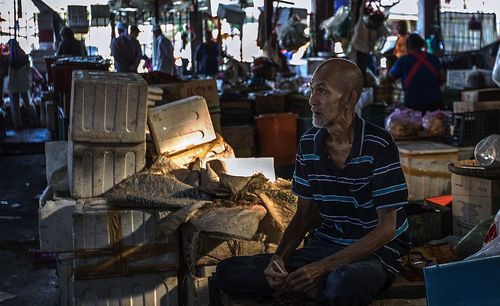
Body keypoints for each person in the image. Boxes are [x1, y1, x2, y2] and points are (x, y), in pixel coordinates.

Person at [214, 58, 410, 305]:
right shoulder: (308, 144)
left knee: (344, 283)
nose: (311, 100)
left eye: (322, 90)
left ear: (349, 99)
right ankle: (311, 288)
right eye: (312, 88)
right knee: (228, 272)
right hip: (325, 245)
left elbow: (386, 229)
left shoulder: (378, 144)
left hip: (374, 252)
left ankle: (315, 286)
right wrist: (279, 260)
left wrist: (319, 269)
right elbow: (304, 216)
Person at [388, 33, 445, 112]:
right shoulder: (433, 58)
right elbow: (442, 78)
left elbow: (390, 77)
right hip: (435, 104)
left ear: (407, 46)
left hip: (413, 105)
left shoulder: (403, 61)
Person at [6, 39, 38, 129]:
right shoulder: (24, 56)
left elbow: (5, 72)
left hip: (12, 84)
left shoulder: (9, 58)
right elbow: (29, 70)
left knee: (14, 107)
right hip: (24, 83)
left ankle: (18, 125)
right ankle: (35, 121)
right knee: (28, 103)